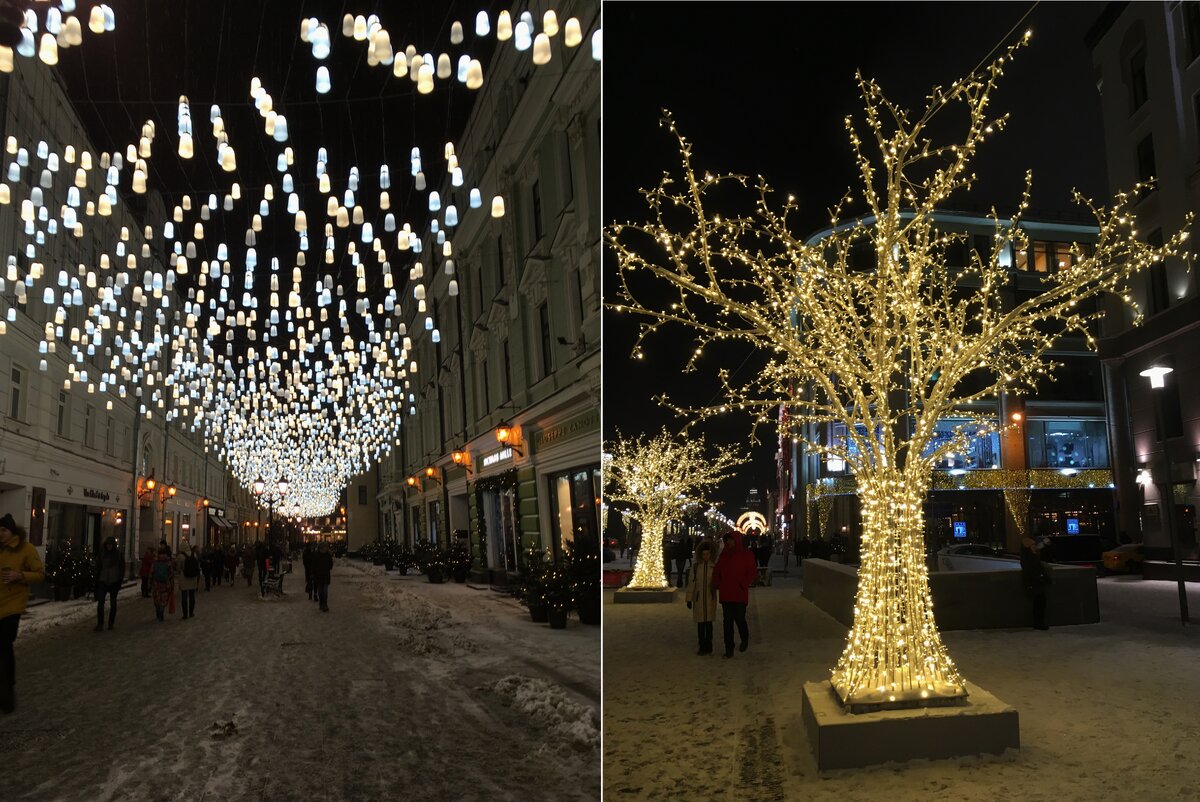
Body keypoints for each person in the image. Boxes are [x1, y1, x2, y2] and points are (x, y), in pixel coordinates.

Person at [0, 513, 45, 714]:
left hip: (12, 606)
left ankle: (7, 690)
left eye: (3, 530)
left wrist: (20, 576)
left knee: (3, 646)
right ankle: (6, 686)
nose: (0, 534)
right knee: (3, 649)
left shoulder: (25, 549)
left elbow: (40, 574)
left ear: (12, 531)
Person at [711, 530, 757, 658]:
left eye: (730, 540)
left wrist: (743, 584)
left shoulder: (747, 555)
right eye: (727, 540)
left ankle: (744, 638)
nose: (728, 542)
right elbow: (717, 571)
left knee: (740, 619)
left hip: (739, 593)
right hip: (726, 593)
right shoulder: (724, 556)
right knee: (727, 623)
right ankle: (729, 647)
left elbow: (752, 572)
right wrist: (717, 583)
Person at [685, 541, 718, 655]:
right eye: (704, 554)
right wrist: (689, 598)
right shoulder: (695, 568)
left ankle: (709, 645)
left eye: (707, 554)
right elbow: (691, 583)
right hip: (699, 598)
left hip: (710, 597)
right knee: (700, 624)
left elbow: (718, 581)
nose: (705, 556)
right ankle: (702, 646)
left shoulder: (713, 566)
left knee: (708, 624)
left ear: (710, 554)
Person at [1020, 536, 1052, 630]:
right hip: (1036, 583)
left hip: (1036, 583)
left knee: (1039, 604)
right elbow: (1030, 572)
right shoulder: (1030, 558)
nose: (1034, 546)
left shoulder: (1029, 556)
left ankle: (1039, 623)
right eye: (1032, 545)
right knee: (1039, 604)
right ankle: (1039, 623)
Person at [93, 536, 124, 631]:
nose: (109, 546)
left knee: (113, 603)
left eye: (110, 545)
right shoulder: (102, 554)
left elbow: (122, 569)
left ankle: (111, 623)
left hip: (114, 582)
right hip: (102, 581)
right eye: (108, 544)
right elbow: (98, 567)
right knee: (101, 603)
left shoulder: (118, 555)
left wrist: (119, 581)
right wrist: (96, 580)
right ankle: (100, 624)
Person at [150, 545, 174, 622]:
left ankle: (158, 612)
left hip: (156, 583)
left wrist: (150, 582)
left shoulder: (155, 561)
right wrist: (171, 582)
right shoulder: (168, 561)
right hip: (165, 584)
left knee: (157, 598)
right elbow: (171, 573)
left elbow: (151, 572)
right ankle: (161, 611)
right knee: (164, 598)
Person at [177, 546, 201, 620]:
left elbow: (178, 568)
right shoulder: (194, 555)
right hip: (193, 577)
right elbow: (197, 565)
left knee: (184, 596)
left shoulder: (180, 556)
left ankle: (185, 614)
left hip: (184, 577)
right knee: (192, 596)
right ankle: (191, 612)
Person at [311, 541, 333, 612]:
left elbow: (330, 565)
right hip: (318, 576)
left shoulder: (328, 555)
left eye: (326, 547)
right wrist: (313, 573)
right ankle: (321, 603)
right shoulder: (316, 555)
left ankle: (325, 604)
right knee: (320, 591)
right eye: (324, 547)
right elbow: (313, 565)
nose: (325, 549)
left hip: (325, 576)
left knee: (325, 591)